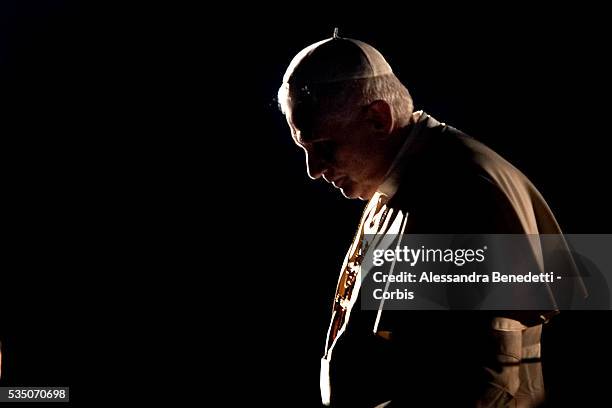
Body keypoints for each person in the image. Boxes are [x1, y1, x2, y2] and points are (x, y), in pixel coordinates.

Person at [277, 31, 579, 407]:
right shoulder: (401, 181)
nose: (313, 169)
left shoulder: (463, 191)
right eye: (304, 149)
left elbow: (483, 384)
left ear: (377, 117)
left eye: (324, 146)